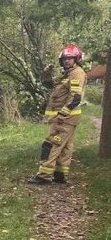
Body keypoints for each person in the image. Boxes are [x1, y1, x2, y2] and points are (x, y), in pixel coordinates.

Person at [28, 44, 86, 185]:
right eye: (65, 58)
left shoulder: (76, 73)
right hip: (66, 118)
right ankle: (60, 175)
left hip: (64, 118)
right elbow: (49, 85)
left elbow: (75, 97)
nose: (67, 61)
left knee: (51, 144)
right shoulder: (66, 74)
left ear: (76, 59)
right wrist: (47, 74)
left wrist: (62, 115)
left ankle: (44, 176)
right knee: (66, 147)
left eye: (70, 58)